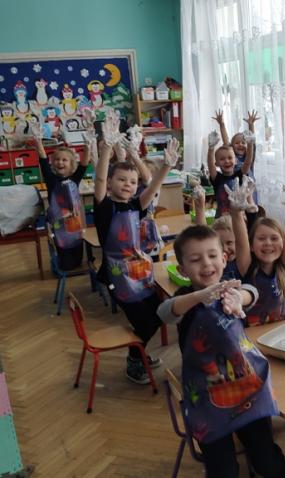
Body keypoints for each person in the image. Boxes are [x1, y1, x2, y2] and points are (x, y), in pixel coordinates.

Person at [157, 225, 285, 478]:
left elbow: (252, 291)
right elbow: (165, 312)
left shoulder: (230, 290)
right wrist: (199, 296)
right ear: (182, 270)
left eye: (212, 255)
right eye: (195, 259)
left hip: (247, 390)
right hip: (208, 398)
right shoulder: (185, 300)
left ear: (224, 259)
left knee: (266, 458)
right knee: (224, 470)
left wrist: (239, 298)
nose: (206, 263)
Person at [93, 108, 181, 384]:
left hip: (141, 272)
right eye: (121, 180)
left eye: (132, 182)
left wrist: (166, 167)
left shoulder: (135, 205)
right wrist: (106, 149)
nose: (128, 185)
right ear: (111, 183)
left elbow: (151, 188)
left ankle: (138, 352)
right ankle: (134, 360)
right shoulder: (104, 207)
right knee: (145, 321)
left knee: (159, 314)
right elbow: (98, 180)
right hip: (118, 276)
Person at [229, 176, 285, 327]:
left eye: (274, 238)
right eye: (261, 238)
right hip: (253, 333)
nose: (268, 243)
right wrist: (236, 212)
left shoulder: (284, 266)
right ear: (251, 245)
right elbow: (240, 240)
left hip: (284, 329)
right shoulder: (247, 267)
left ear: (282, 244)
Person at [35, 124, 92, 270]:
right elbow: (43, 160)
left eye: (64, 160)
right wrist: (38, 140)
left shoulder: (75, 178)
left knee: (78, 258)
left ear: (71, 164)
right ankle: (64, 265)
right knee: (66, 262)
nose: (60, 162)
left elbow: (84, 164)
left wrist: (87, 145)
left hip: (75, 224)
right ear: (53, 162)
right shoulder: (51, 179)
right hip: (59, 225)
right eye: (57, 159)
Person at [208, 110, 256, 217]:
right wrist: (211, 149)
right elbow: (210, 165)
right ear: (217, 163)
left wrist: (250, 143)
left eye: (230, 158)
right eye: (222, 159)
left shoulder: (240, 175)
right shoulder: (217, 178)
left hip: (239, 218)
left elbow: (248, 160)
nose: (227, 161)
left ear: (235, 161)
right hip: (222, 220)